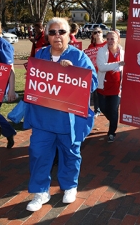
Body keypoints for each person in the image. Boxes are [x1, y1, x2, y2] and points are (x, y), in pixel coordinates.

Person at [24, 17, 98, 212]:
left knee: (70, 153)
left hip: (68, 120)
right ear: (47, 35)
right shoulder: (39, 54)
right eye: (52, 32)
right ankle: (41, 192)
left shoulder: (79, 56)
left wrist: (74, 72)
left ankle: (69, 186)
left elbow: (93, 83)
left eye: (61, 32)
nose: (57, 36)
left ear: (69, 35)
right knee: (38, 153)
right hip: (43, 119)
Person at [0, 15, 17, 149]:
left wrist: (11, 89)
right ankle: (8, 131)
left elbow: (10, 70)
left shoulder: (3, 45)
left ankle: (5, 132)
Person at [96, 31, 125, 143]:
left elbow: (125, 66)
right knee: (103, 108)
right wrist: (118, 64)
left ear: (118, 39)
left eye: (112, 39)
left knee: (113, 109)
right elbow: (102, 67)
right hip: (102, 85)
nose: (109, 41)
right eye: (107, 39)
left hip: (116, 86)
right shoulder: (101, 51)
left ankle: (112, 132)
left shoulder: (122, 51)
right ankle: (113, 120)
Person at [86, 28, 107, 118]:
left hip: (105, 71)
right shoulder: (91, 46)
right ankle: (97, 110)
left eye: (99, 32)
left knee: (105, 91)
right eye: (95, 32)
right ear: (93, 35)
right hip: (95, 71)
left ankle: (106, 108)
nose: (97, 33)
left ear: (102, 34)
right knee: (95, 92)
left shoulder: (106, 44)